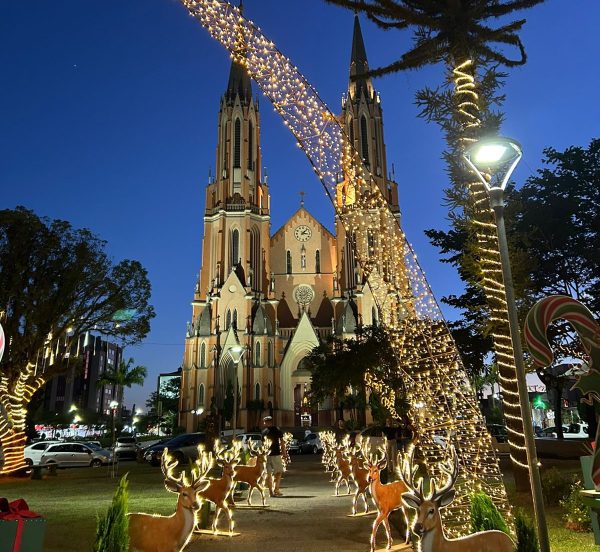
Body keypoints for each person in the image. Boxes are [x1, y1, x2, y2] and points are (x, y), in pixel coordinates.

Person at [262, 416, 285, 497]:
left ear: (269, 422)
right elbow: (282, 442)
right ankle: (275, 489)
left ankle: (273, 491)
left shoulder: (264, 432)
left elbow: (263, 445)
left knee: (270, 474)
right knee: (277, 472)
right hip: (275, 454)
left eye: (266, 422)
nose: (265, 423)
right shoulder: (277, 430)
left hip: (269, 455)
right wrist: (284, 452)